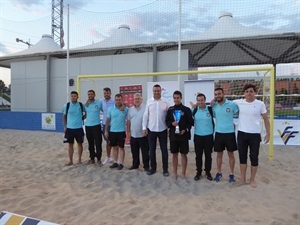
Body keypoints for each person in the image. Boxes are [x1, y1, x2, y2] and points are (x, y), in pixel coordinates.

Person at [234, 84, 270, 188]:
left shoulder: (260, 104)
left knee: (254, 157)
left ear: (255, 92)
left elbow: (266, 119)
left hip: (254, 135)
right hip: (242, 134)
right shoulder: (238, 103)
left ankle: (252, 179)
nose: (249, 93)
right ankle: (242, 179)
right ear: (244, 93)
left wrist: (268, 134)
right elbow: (224, 103)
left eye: (251, 91)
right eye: (247, 91)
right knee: (242, 157)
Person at [212, 87, 239, 183]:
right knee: (219, 154)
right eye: (216, 94)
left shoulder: (232, 105)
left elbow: (239, 112)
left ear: (223, 94)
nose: (217, 96)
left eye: (219, 94)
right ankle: (219, 173)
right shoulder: (214, 106)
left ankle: (231, 174)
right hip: (219, 133)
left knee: (230, 154)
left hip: (230, 133)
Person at [142, 84, 170, 176]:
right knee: (152, 150)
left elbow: (169, 115)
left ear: (161, 91)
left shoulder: (166, 102)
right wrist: (144, 128)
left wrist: (169, 128)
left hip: (163, 129)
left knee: (164, 150)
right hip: (151, 130)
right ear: (153, 91)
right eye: (155, 91)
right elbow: (146, 116)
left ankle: (165, 169)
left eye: (158, 91)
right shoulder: (149, 102)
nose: (157, 92)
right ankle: (153, 168)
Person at [166, 90, 193, 179]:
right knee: (174, 154)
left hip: (183, 136)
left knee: (183, 154)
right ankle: (175, 173)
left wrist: (185, 129)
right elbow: (167, 121)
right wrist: (171, 123)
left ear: (181, 98)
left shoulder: (186, 110)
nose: (176, 100)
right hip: (173, 136)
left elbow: (190, 122)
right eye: (175, 98)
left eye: (178, 98)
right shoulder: (170, 110)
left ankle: (183, 173)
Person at [192, 93, 214, 181]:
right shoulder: (194, 110)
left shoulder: (210, 109)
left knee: (208, 156)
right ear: (197, 101)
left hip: (209, 136)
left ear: (205, 100)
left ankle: (208, 172)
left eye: (202, 100)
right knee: (198, 156)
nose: (200, 102)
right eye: (198, 100)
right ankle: (199, 172)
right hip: (198, 136)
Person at [105, 94, 128, 170]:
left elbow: (129, 119)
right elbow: (108, 120)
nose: (118, 101)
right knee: (114, 147)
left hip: (121, 131)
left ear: (122, 100)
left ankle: (121, 163)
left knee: (121, 148)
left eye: (119, 100)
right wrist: (106, 130)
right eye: (116, 100)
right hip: (112, 131)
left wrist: (124, 105)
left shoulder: (126, 109)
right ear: (115, 100)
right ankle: (115, 162)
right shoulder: (110, 109)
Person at [62, 91, 86, 166]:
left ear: (77, 97)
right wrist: (65, 126)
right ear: (70, 97)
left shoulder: (81, 105)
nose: (73, 97)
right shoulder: (67, 105)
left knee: (80, 144)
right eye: (72, 96)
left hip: (79, 128)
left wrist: (81, 119)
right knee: (70, 145)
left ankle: (79, 160)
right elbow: (64, 116)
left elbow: (85, 114)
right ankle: (71, 161)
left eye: (75, 96)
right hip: (69, 129)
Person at [127, 93, 150, 171]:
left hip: (143, 135)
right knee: (134, 152)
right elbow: (128, 121)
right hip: (133, 134)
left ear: (141, 99)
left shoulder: (146, 108)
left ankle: (146, 166)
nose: (137, 100)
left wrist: (147, 130)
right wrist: (128, 132)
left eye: (138, 99)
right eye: (135, 99)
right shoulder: (130, 109)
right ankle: (135, 165)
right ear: (133, 100)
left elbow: (149, 120)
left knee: (145, 152)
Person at [85, 90, 103, 165]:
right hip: (88, 126)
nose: (90, 95)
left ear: (94, 95)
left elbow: (105, 111)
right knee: (90, 143)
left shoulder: (99, 103)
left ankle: (99, 159)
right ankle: (92, 158)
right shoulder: (85, 105)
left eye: (91, 94)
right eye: (89, 94)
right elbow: (83, 114)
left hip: (96, 126)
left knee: (98, 143)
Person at [101, 87, 115, 165]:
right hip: (104, 124)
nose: (106, 94)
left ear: (110, 93)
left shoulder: (113, 102)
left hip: (113, 125)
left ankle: (115, 157)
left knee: (114, 142)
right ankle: (108, 157)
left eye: (107, 93)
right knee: (107, 141)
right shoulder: (101, 101)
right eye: (105, 93)